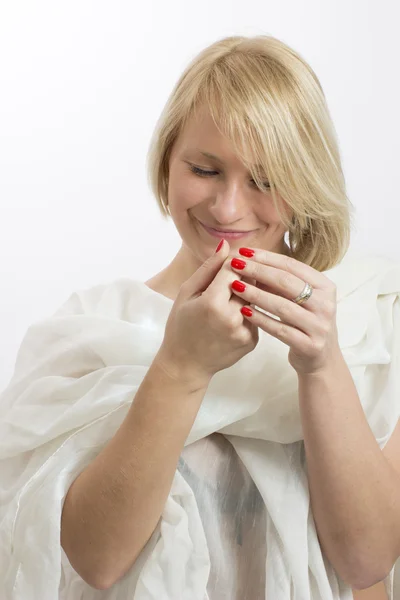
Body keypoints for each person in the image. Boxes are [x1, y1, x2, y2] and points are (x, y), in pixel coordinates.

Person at [0, 34, 399, 600]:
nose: (228, 207)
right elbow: (95, 560)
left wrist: (322, 365)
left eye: (265, 179)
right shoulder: (94, 327)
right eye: (205, 170)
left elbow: (367, 563)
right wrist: (180, 366)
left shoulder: (370, 313)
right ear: (167, 161)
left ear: (307, 180)